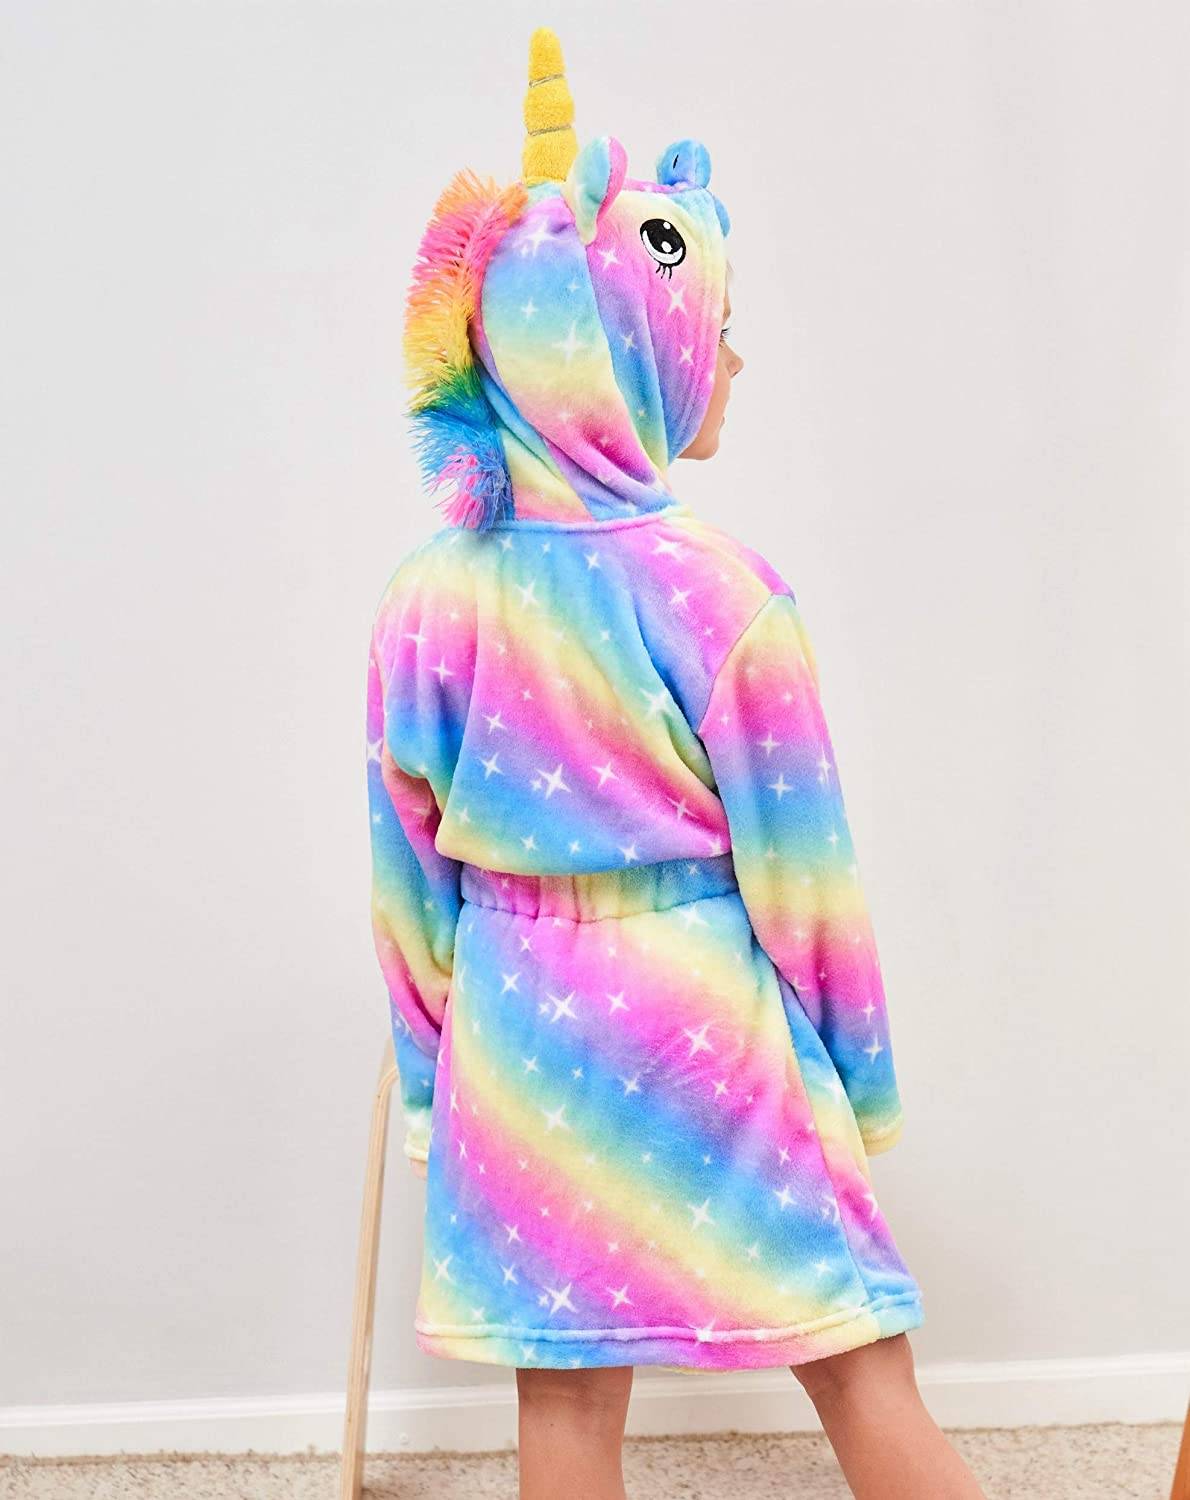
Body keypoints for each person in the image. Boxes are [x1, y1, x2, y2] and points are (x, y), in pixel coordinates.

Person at [365, 27, 986, 1500]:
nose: (736, 358)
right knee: (855, 1352)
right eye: (718, 324)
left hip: (518, 1034)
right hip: (702, 1019)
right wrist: (857, 1081)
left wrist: (431, 1079)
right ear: (631, 352)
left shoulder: (425, 600)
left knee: (567, 1399)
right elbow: (805, 876)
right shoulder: (720, 595)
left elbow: (406, 881)